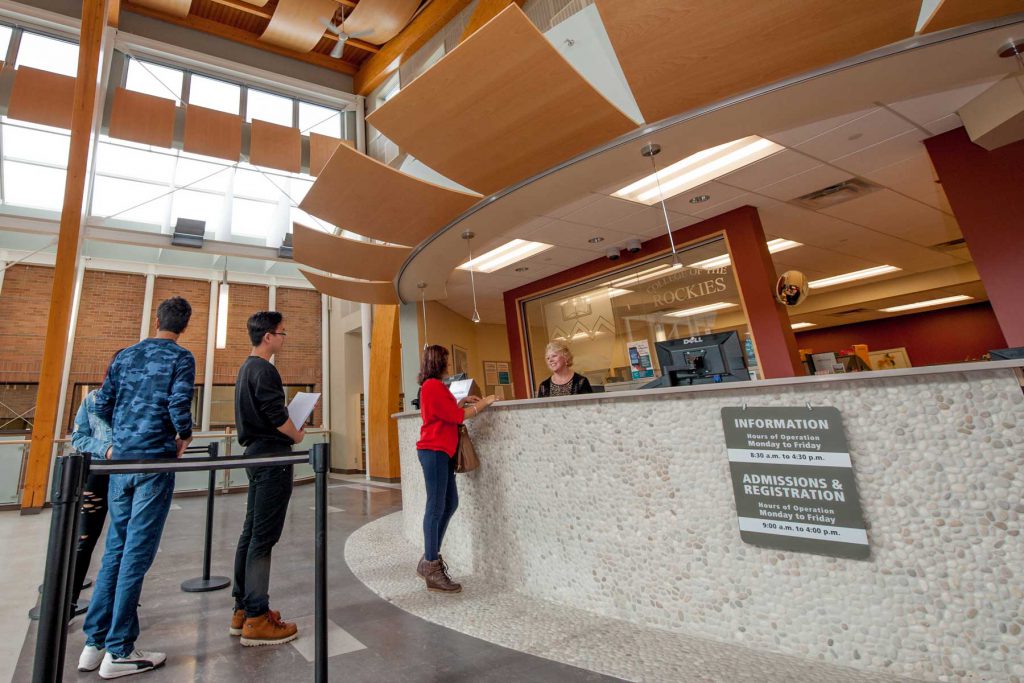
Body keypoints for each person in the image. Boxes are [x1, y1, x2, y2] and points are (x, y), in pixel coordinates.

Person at [79, 297, 196, 679]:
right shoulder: (181, 358)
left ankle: (93, 643)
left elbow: (102, 403)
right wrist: (183, 435)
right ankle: (121, 649)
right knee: (136, 553)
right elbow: (179, 403)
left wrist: (125, 435)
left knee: (115, 547)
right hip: (153, 462)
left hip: (122, 462)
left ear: (157, 319)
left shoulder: (124, 355)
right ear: (184, 325)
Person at [230, 311, 304, 647]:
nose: (284, 339)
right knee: (263, 538)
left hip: (255, 454)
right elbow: (277, 416)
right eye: (283, 333)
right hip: (273, 456)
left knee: (250, 532)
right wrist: (297, 434)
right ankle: (257, 618)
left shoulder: (245, 369)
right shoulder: (265, 369)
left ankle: (242, 610)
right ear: (269, 336)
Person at [415, 344, 496, 593]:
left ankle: (430, 557)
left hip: (441, 452)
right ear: (439, 363)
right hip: (434, 451)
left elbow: (447, 412)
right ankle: (431, 564)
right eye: (446, 362)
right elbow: (457, 418)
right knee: (436, 506)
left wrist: (461, 401)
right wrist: (485, 403)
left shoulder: (434, 387)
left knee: (450, 503)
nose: (449, 366)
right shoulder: (432, 386)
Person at [68, 350, 123, 618]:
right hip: (98, 475)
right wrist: (107, 449)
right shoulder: (92, 401)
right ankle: (68, 601)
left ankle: (121, 600)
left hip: (125, 477)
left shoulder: (134, 404)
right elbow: (78, 438)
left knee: (124, 539)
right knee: (83, 539)